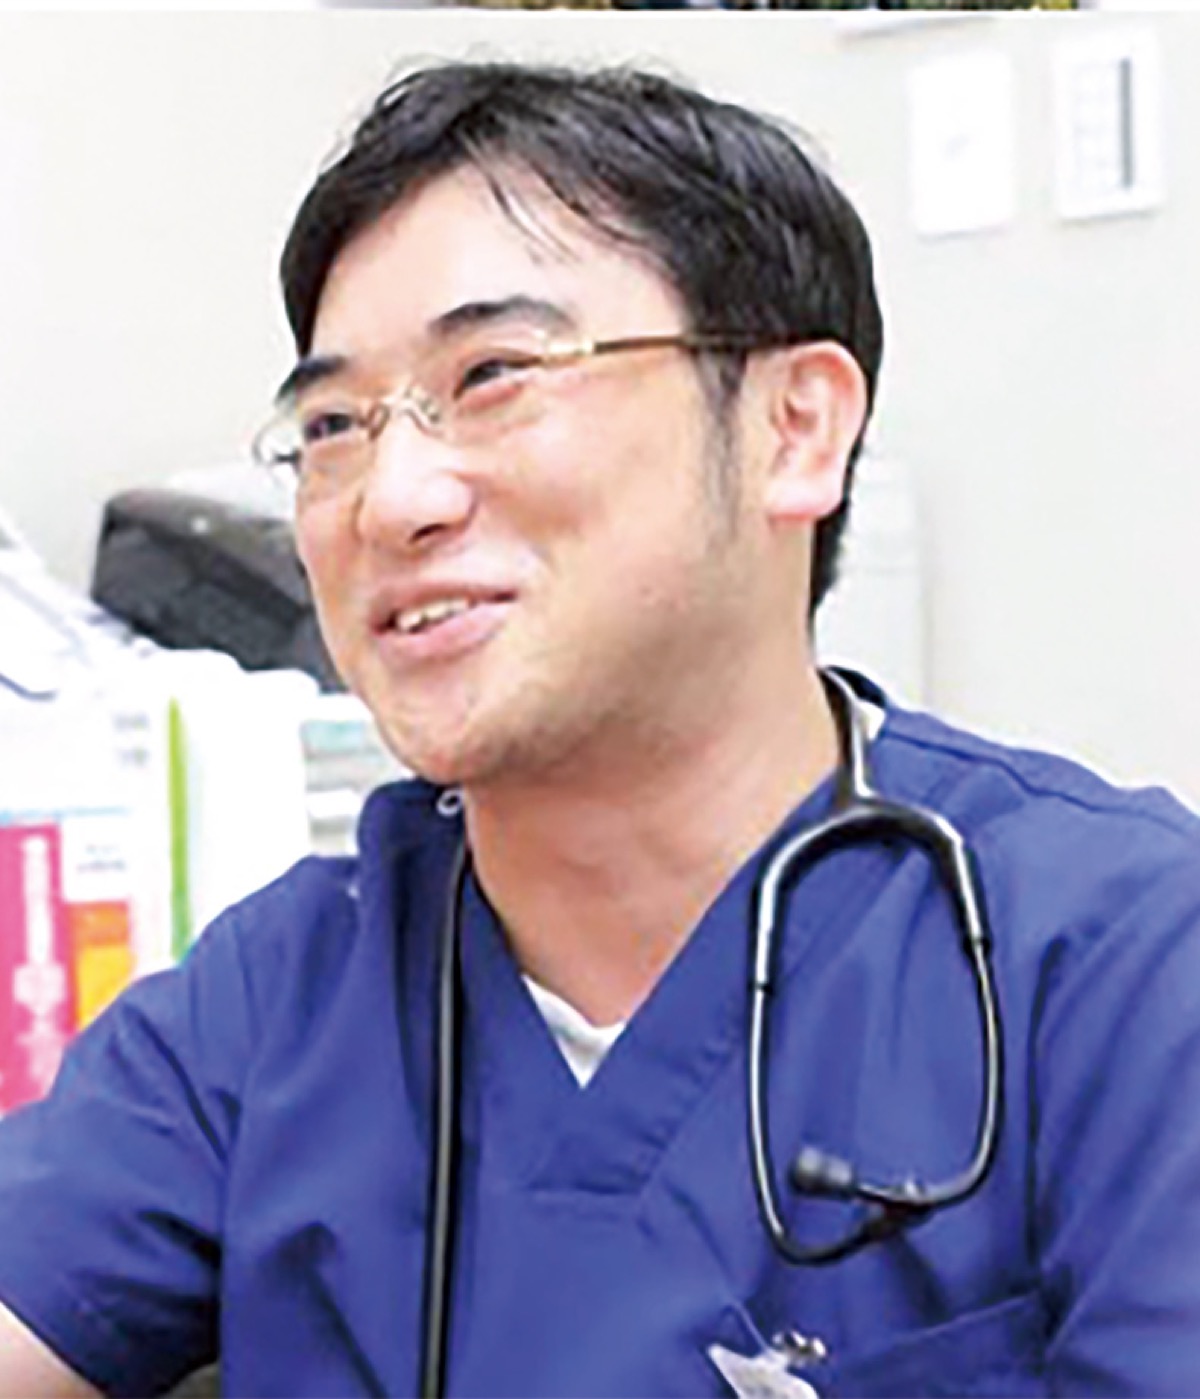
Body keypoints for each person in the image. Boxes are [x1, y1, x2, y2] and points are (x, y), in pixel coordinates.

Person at [1, 58, 1199, 1399]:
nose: (391, 497)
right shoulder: (279, 1005)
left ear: (795, 429)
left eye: (495, 374)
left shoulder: (1121, 963)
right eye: (334, 424)